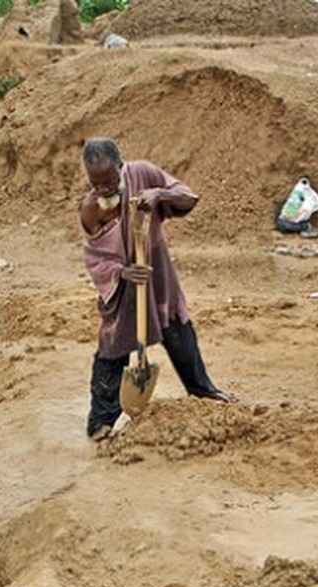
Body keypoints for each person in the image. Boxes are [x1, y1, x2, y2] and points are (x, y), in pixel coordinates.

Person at [78, 137, 233, 441]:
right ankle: (100, 421)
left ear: (121, 168)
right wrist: (122, 272)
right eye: (96, 184)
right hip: (122, 288)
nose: (105, 190)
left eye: (110, 182)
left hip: (157, 273)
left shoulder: (143, 174)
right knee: (113, 350)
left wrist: (160, 195)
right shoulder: (90, 208)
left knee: (178, 331)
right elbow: (94, 258)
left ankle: (202, 391)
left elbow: (189, 197)